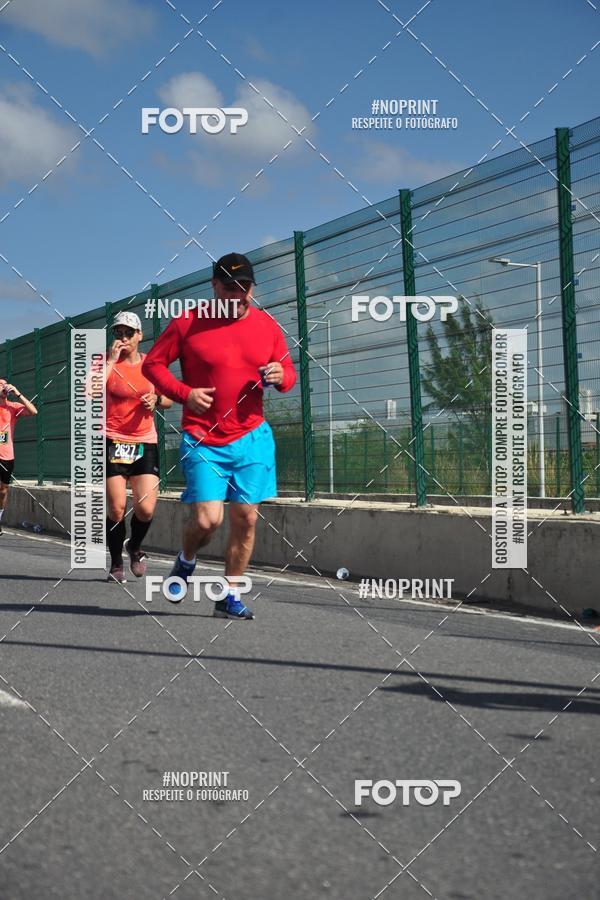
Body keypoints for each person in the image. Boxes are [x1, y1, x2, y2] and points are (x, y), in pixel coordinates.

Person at [142, 252, 297, 619]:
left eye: (246, 287)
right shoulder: (188, 322)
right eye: (231, 288)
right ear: (214, 286)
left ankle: (229, 596)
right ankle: (187, 559)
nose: (240, 295)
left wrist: (280, 375)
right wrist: (185, 394)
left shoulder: (267, 325)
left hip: (252, 436)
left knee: (246, 518)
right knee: (208, 520)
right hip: (203, 437)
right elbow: (153, 364)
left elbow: (288, 373)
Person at [99, 311, 172, 583]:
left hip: (144, 441)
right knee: (117, 508)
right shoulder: (106, 363)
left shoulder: (152, 365)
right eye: (118, 333)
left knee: (146, 509)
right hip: (113, 439)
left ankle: (134, 547)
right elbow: (90, 391)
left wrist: (156, 399)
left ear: (140, 335)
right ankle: (116, 562)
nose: (123, 338)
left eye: (129, 333)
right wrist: (111, 360)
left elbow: (169, 400)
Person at [0, 378, 37, 535]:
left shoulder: (13, 407)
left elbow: (34, 411)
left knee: (3, 490)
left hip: (7, 455)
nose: (3, 386)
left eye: (4, 384)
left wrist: (18, 393)